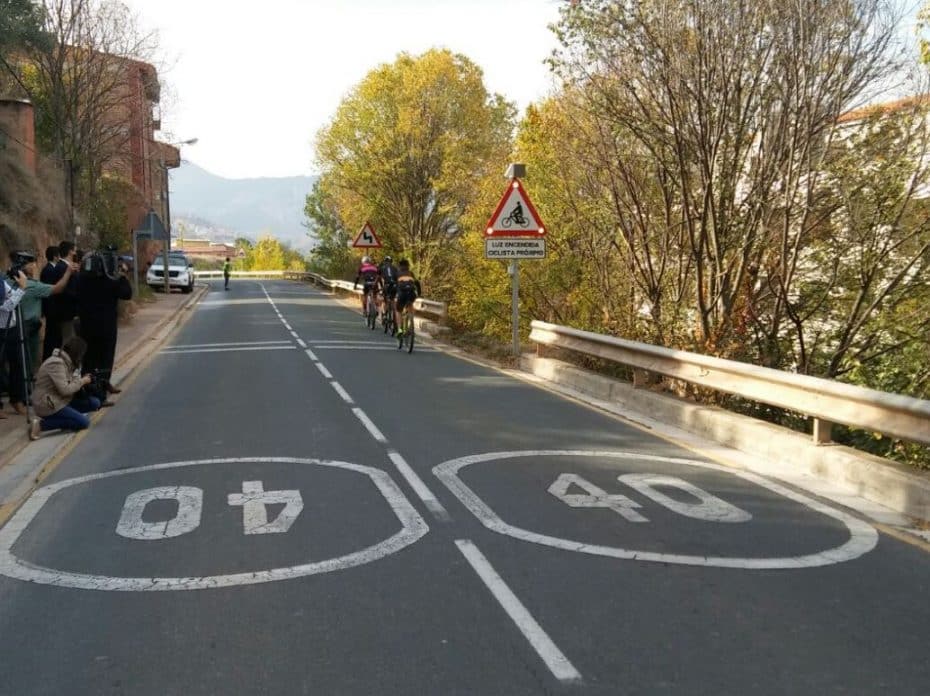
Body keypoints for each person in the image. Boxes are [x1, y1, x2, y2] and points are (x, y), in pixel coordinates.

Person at [5, 251, 75, 415]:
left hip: (11, 327)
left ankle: (19, 394)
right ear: (26, 265)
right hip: (26, 328)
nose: (35, 266)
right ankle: (20, 398)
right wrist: (68, 273)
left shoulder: (7, 282)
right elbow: (57, 289)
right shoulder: (30, 285)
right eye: (32, 263)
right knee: (24, 364)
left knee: (16, 363)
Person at [77, 250, 132, 397]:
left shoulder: (80, 281)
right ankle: (100, 393)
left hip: (86, 327)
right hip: (106, 328)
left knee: (88, 359)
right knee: (105, 359)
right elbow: (127, 294)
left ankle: (87, 389)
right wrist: (123, 275)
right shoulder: (111, 282)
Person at [29, 335, 101, 440]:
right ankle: (40, 425)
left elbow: (73, 382)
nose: (82, 357)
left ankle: (69, 416)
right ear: (77, 353)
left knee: (95, 403)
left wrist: (81, 377)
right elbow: (65, 390)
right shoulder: (56, 363)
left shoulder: (69, 363)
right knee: (83, 422)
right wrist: (83, 381)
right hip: (48, 403)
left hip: (61, 400)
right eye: (81, 354)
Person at [0, 269, 28, 419]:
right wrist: (22, 288)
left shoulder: (2, 281)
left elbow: (12, 298)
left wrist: (18, 287)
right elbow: (5, 307)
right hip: (0, 329)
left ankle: (16, 399)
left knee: (17, 363)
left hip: (11, 328)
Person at [394, 259, 422, 337]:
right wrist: (419, 294)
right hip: (411, 294)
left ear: (399, 266)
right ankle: (411, 324)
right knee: (410, 306)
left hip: (402, 294)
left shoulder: (397, 274)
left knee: (398, 311)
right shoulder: (411, 273)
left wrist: (393, 294)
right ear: (408, 266)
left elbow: (393, 285)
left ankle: (400, 330)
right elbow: (417, 283)